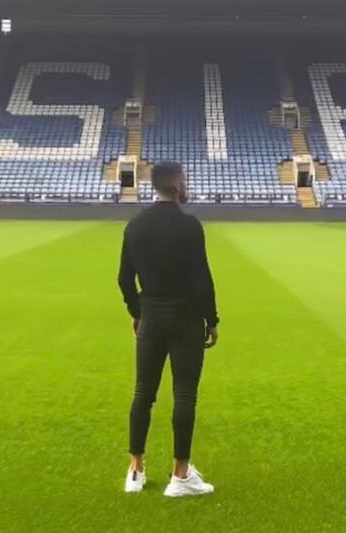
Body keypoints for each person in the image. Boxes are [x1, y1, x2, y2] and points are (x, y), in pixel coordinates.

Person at [118, 162, 219, 497]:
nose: (187, 186)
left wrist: (138, 312)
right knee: (185, 395)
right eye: (185, 181)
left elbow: (124, 279)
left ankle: (135, 470)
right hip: (186, 319)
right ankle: (180, 475)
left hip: (151, 318)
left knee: (143, 393)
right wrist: (212, 320)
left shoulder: (135, 226)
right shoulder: (190, 226)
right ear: (177, 186)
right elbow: (202, 278)